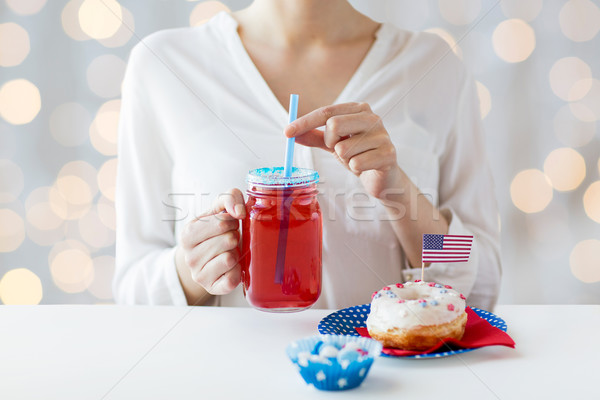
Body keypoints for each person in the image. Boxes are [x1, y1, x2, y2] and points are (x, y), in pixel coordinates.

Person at [114, 0, 501, 310]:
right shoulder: (164, 63)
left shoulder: (433, 66)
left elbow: (482, 277)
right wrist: (193, 266)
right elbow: (132, 288)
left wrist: (400, 194)